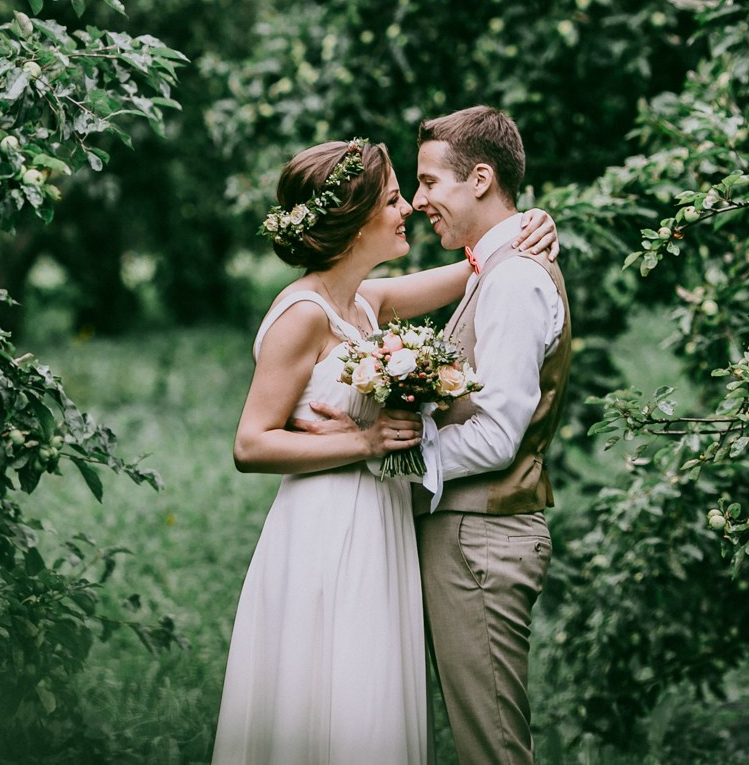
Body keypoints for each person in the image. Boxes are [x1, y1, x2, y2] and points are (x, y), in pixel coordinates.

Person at [211, 137, 557, 765]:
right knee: (331, 699)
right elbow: (250, 442)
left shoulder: (367, 302)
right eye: (396, 199)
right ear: (355, 217)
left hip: (383, 521)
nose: (410, 209)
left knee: (374, 702)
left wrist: (529, 222)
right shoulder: (304, 314)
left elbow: (483, 264)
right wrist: (364, 441)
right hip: (326, 525)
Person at [406, 106, 571, 765]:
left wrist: (384, 463)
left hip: (483, 541)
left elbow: (499, 434)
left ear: (479, 178)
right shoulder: (493, 269)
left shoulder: (516, 279)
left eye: (428, 182)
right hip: (470, 535)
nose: (419, 201)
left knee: (494, 749)